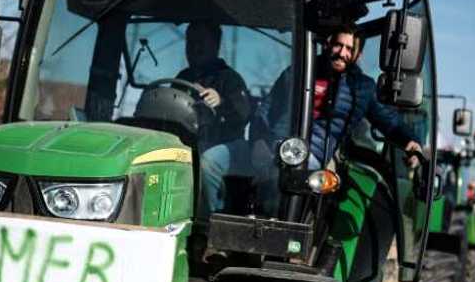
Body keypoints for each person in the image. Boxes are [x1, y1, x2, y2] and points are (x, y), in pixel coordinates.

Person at [259, 25, 424, 170]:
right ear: (328, 44)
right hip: (276, 145)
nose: (342, 53)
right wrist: (257, 141)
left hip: (313, 156)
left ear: (358, 55)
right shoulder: (299, 71)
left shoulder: (362, 88)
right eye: (338, 45)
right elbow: (267, 109)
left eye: (350, 49)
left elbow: (390, 122)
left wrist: (410, 140)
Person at [175, 20, 253, 215]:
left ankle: (209, 220)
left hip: (221, 149)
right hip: (186, 144)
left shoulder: (229, 78)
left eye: (201, 42)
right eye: (191, 42)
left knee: (207, 161)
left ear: (216, 46)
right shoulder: (182, 77)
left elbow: (244, 114)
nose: (195, 47)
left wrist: (221, 102)